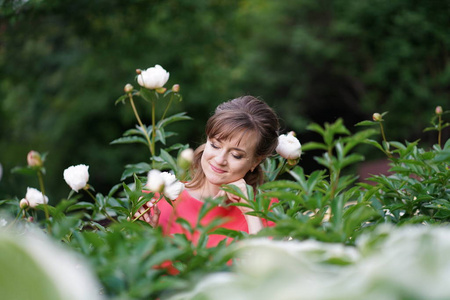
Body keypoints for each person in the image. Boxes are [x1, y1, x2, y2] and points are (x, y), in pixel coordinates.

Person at [137, 95, 280, 247]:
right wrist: (143, 235)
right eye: (215, 145)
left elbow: (262, 266)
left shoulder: (266, 210)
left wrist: (249, 211)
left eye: (236, 155)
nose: (219, 159)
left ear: (255, 161)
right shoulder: (158, 196)